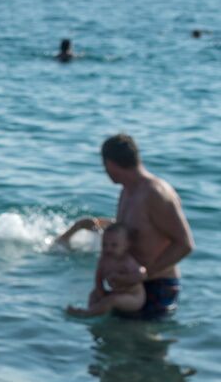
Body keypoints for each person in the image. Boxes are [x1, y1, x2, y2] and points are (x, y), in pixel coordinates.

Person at [54, 133, 194, 320]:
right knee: (109, 345)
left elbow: (185, 244)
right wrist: (87, 225)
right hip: (128, 285)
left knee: (143, 347)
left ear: (110, 164)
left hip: (157, 285)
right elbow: (132, 231)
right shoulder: (127, 191)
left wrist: (143, 275)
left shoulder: (156, 193)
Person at [66, 223, 145, 318]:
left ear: (126, 245)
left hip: (134, 297)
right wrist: (100, 292)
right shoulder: (103, 260)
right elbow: (98, 278)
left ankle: (87, 313)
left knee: (112, 300)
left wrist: (122, 278)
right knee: (94, 294)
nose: (108, 249)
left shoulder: (127, 261)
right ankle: (93, 310)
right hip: (116, 293)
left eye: (114, 245)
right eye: (104, 245)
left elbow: (142, 275)